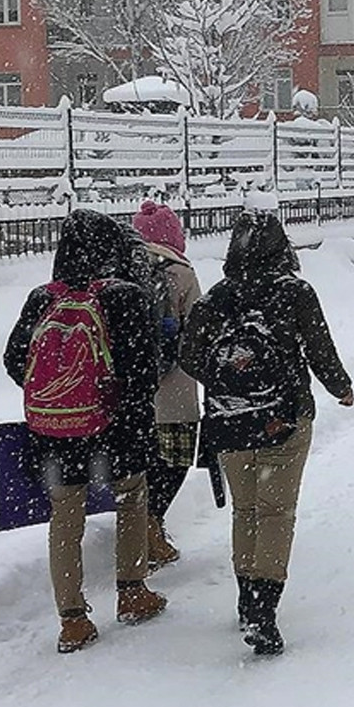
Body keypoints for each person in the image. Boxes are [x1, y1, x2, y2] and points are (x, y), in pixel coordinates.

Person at [180, 206, 354, 657]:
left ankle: (245, 599)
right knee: (277, 514)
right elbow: (320, 349)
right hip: (284, 417)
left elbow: (188, 354)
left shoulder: (216, 298)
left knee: (247, 511)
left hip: (229, 420)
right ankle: (264, 610)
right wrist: (341, 388)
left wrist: (224, 381)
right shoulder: (295, 293)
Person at [3, 209, 167, 654]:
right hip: (115, 429)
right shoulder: (124, 296)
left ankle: (72, 620)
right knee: (132, 499)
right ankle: (132, 592)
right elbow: (142, 368)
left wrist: (60, 393)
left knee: (65, 520)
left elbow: (14, 359)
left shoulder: (42, 298)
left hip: (54, 432)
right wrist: (118, 408)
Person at [132, 200, 202, 569]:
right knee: (173, 460)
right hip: (174, 388)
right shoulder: (181, 272)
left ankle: (137, 526)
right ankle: (152, 524)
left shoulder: (119, 268)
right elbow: (199, 331)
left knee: (138, 461)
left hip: (131, 389)